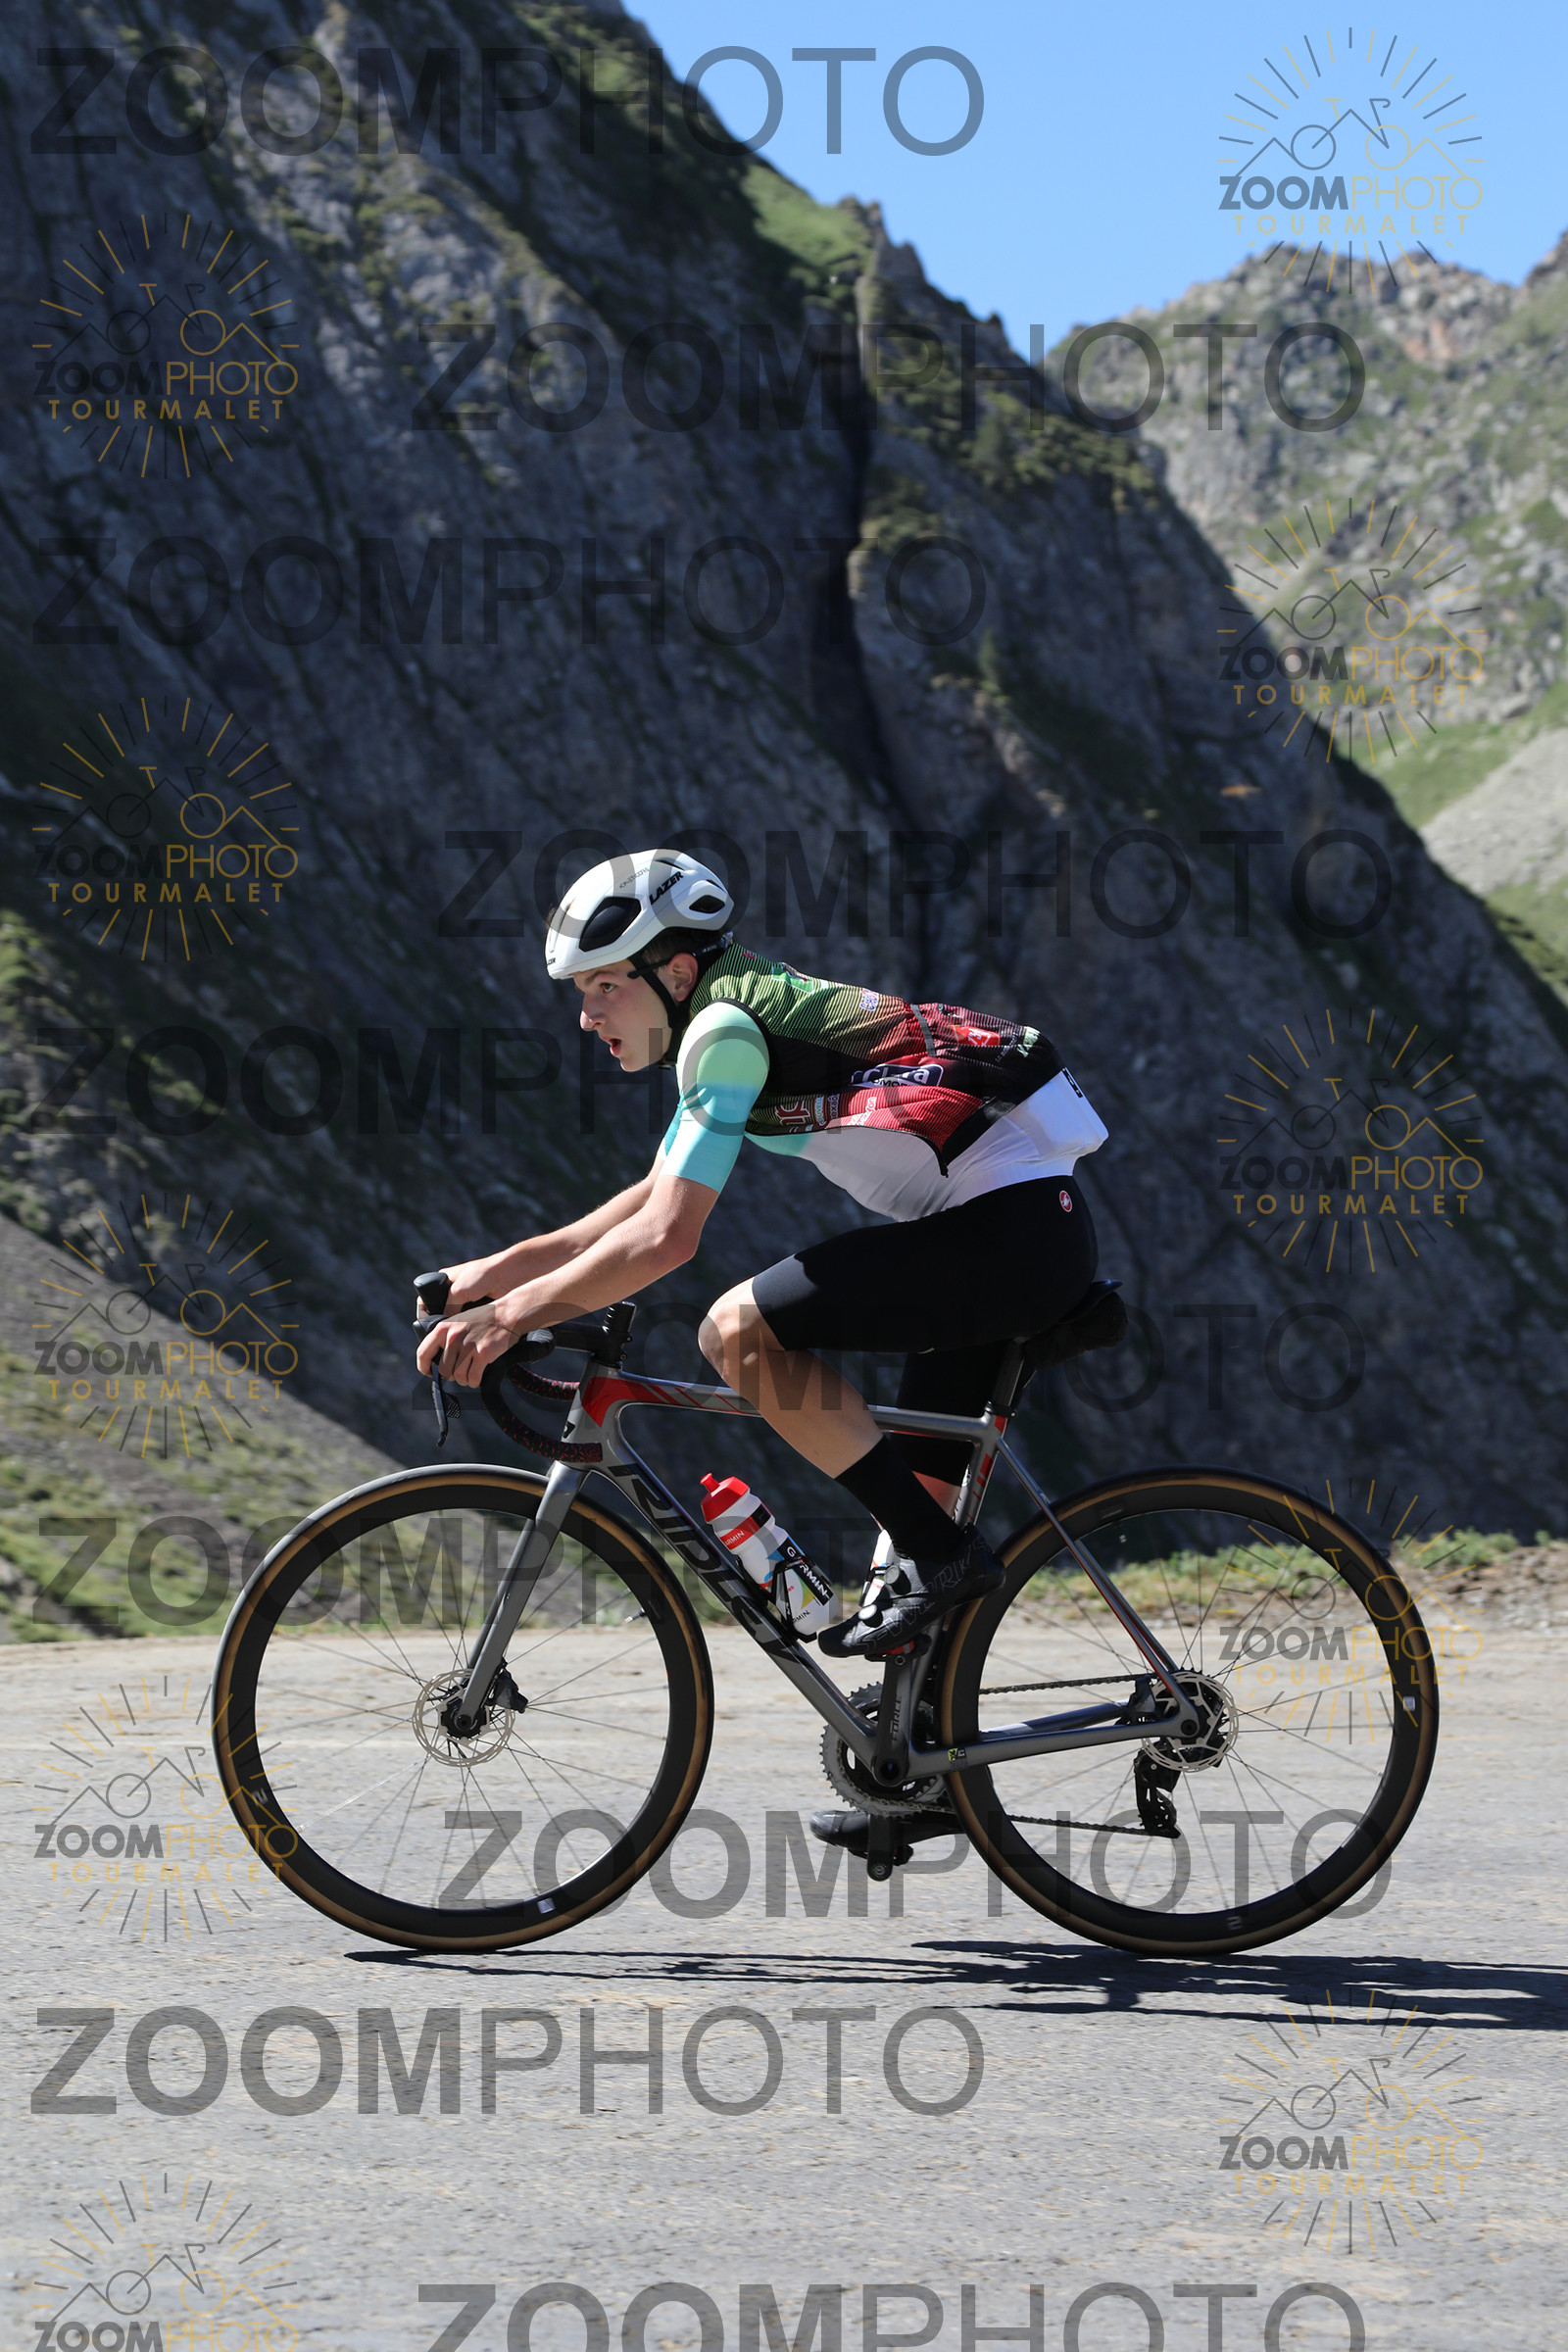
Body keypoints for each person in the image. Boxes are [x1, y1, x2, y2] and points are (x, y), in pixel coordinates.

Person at [416, 847, 1107, 1663]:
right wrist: (495, 1276)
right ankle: (922, 1735)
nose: (586, 1015)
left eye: (604, 986)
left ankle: (946, 1559)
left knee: (736, 1332)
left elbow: (667, 1237)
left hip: (1007, 1236)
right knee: (905, 1575)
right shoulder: (731, 1010)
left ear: (676, 972)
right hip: (1017, 1233)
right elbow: (649, 1197)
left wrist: (509, 1318)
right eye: (581, 992)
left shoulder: (723, 1032)